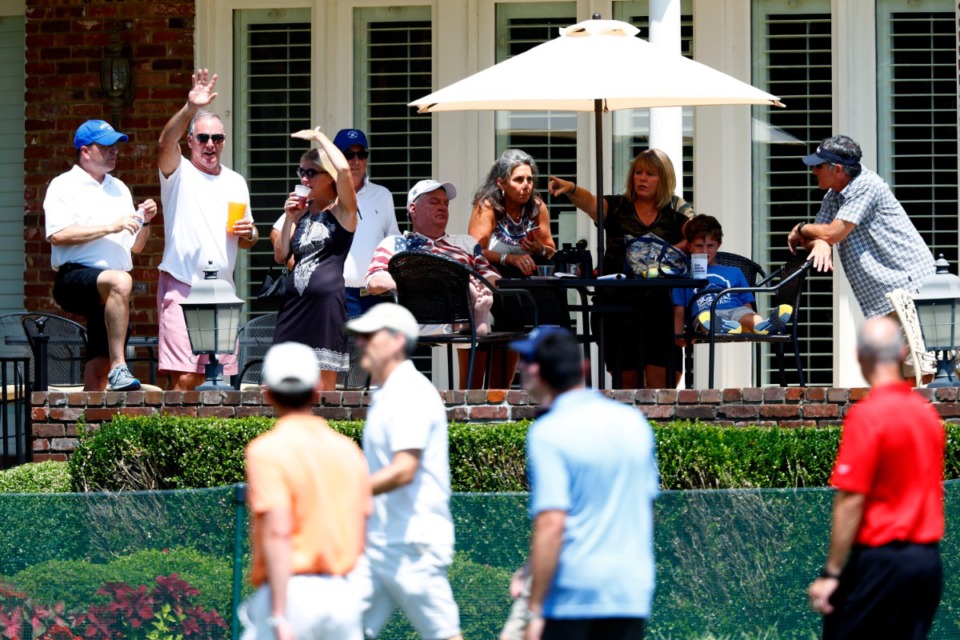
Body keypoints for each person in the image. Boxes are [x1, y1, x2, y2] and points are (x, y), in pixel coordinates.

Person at [512, 326, 659, 640]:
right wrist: (531, 566)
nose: (519, 366)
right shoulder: (633, 422)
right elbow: (645, 510)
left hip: (572, 596)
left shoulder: (548, 432)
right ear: (584, 368)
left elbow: (552, 523)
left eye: (524, 359)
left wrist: (535, 609)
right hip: (630, 590)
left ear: (535, 371)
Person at [807, 316, 944, 639]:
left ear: (859, 356)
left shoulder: (868, 415)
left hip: (882, 562)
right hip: (926, 563)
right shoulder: (927, 416)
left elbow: (851, 497)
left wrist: (831, 573)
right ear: (902, 354)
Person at [345, 303, 464, 640]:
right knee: (338, 627)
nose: (361, 343)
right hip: (380, 543)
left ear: (397, 341)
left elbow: (404, 469)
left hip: (413, 544)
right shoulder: (387, 393)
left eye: (370, 336)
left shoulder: (409, 392)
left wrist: (345, 493)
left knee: (443, 636)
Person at [241, 341, 371, 639]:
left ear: (267, 393)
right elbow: (363, 526)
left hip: (292, 595)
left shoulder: (267, 450)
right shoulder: (348, 450)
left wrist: (277, 613)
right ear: (316, 390)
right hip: (344, 595)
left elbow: (278, 531)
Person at [548, 149, 693, 389]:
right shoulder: (617, 207)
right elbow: (591, 203)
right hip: (616, 308)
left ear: (664, 179)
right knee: (628, 388)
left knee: (662, 389)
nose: (642, 179)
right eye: (638, 172)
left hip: (660, 311)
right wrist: (572, 189)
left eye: (650, 174)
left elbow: (700, 240)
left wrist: (669, 250)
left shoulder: (676, 215)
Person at [157, 69, 259, 391]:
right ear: (190, 142)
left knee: (216, 382)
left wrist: (251, 234)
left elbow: (247, 239)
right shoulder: (180, 173)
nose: (210, 144)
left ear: (225, 141)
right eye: (202, 138)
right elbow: (164, 142)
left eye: (217, 138)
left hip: (222, 293)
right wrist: (190, 108)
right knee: (186, 379)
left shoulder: (236, 182)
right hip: (184, 283)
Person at [44, 119, 158, 391]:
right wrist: (111, 225)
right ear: (85, 151)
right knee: (121, 281)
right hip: (74, 278)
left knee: (98, 371)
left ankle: (86, 427)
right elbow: (57, 234)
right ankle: (122, 366)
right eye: (106, 145)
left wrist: (147, 221)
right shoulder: (64, 185)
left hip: (109, 294)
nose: (114, 151)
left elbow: (136, 246)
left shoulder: (119, 188)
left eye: (116, 145)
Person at [366, 179, 501, 388]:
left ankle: (473, 313)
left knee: (473, 288)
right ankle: (473, 316)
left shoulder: (465, 244)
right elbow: (374, 280)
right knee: (461, 285)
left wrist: (485, 286)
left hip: (458, 315)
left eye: (445, 203)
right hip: (415, 318)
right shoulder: (395, 243)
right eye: (434, 202)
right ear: (413, 208)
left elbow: (490, 275)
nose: (442, 208)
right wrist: (417, 284)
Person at [787, 135, 935, 320]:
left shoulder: (866, 185)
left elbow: (831, 233)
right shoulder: (834, 194)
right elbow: (819, 235)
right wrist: (820, 244)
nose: (813, 171)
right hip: (886, 295)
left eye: (818, 166)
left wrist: (800, 228)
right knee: (882, 349)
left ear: (838, 169)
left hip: (909, 287)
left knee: (893, 349)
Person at [271, 128, 358, 390]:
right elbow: (280, 256)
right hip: (294, 305)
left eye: (311, 172)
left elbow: (344, 171)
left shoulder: (344, 212)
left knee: (322, 386)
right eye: (301, 172)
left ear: (328, 178)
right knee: (283, 380)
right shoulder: (303, 213)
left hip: (325, 308)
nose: (304, 178)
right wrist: (289, 218)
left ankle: (322, 429)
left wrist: (320, 138)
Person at [469, 149, 557, 388]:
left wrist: (538, 249)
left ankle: (549, 382)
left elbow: (550, 249)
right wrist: (508, 258)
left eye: (529, 179)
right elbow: (474, 250)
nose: (526, 185)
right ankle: (496, 391)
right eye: (519, 179)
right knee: (509, 319)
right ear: (501, 183)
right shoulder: (487, 206)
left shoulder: (537, 206)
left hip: (526, 278)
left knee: (553, 309)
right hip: (495, 277)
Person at [673, 215, 792, 339]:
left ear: (718, 245)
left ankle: (763, 326)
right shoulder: (684, 275)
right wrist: (678, 335)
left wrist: (750, 324)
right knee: (705, 319)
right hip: (706, 314)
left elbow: (746, 305)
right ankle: (720, 326)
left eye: (710, 246)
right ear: (688, 245)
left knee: (749, 316)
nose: (705, 251)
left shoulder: (734, 272)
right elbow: (679, 309)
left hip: (735, 310)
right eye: (699, 246)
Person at [334, 128, 401, 318]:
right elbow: (281, 233)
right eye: (349, 154)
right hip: (334, 296)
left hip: (374, 298)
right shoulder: (324, 193)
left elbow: (393, 242)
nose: (356, 161)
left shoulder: (383, 195)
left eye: (361, 154)